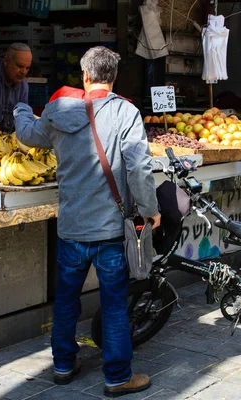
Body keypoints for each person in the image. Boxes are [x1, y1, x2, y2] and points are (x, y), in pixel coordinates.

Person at [13, 46, 161, 398]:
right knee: (113, 305)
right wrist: (150, 209)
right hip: (110, 231)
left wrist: (20, 108)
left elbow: (28, 135)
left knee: (66, 301)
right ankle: (117, 376)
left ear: (84, 75)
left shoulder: (57, 111)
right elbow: (139, 167)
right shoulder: (126, 112)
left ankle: (63, 365)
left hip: (71, 229)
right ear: (113, 77)